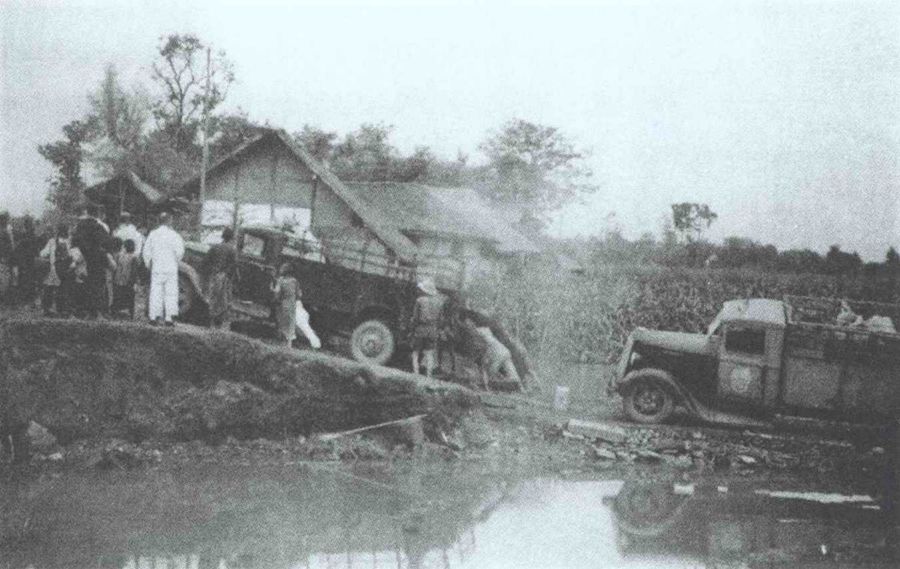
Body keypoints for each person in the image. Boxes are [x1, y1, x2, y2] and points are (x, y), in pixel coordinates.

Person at [142, 212, 184, 326]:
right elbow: (180, 252)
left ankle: (153, 317)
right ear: (169, 221)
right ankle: (169, 318)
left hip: (157, 267)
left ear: (159, 221)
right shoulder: (175, 235)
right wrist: (175, 261)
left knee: (156, 292)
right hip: (170, 268)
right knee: (170, 293)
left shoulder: (153, 234)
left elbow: (146, 252)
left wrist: (149, 264)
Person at [71, 204, 111, 318]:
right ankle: (96, 311)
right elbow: (106, 243)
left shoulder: (79, 226)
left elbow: (74, 243)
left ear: (86, 212)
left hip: (82, 259)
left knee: (83, 284)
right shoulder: (99, 226)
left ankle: (84, 311)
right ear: (97, 213)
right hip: (96, 259)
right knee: (97, 285)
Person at [203, 227, 238, 330]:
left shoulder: (215, 247)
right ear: (231, 238)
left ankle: (210, 323)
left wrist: (210, 272)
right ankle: (218, 325)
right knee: (223, 301)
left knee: (212, 298)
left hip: (213, 276)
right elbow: (234, 265)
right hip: (224, 277)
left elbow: (206, 261)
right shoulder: (232, 250)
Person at [410, 277, 446, 378]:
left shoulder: (420, 300)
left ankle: (416, 374)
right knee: (429, 354)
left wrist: (412, 329)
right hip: (433, 330)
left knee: (415, 352)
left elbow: (415, 318)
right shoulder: (439, 303)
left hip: (420, 329)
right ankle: (428, 376)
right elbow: (441, 319)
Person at [39, 224, 71, 316]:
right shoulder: (69, 241)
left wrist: (43, 256)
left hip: (55, 268)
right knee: (63, 289)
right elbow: (71, 254)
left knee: (49, 288)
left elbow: (43, 253)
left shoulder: (52, 241)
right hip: (66, 268)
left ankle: (47, 308)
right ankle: (61, 309)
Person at [271, 262, 299, 347]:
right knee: (290, 323)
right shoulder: (295, 281)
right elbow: (298, 294)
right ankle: (289, 344)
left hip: (283, 304)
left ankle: (280, 342)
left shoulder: (281, 280)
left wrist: (272, 287)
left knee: (281, 322)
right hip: (292, 304)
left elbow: (277, 293)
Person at [13, 216, 40, 304]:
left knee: (26, 278)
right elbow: (35, 247)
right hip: (28, 259)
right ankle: (28, 297)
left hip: (26, 259)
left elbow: (20, 246)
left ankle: (26, 298)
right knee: (29, 278)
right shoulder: (30, 234)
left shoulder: (25, 234)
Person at [112, 239, 139, 318]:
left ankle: (115, 312)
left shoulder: (119, 255)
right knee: (130, 298)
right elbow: (134, 271)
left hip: (118, 279)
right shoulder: (134, 257)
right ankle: (131, 313)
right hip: (128, 281)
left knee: (117, 296)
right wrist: (134, 282)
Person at [0, 212, 14, 304]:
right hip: (4, 258)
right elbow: (10, 246)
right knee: (5, 278)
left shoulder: (4, 231)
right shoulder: (5, 232)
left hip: (3, 257)